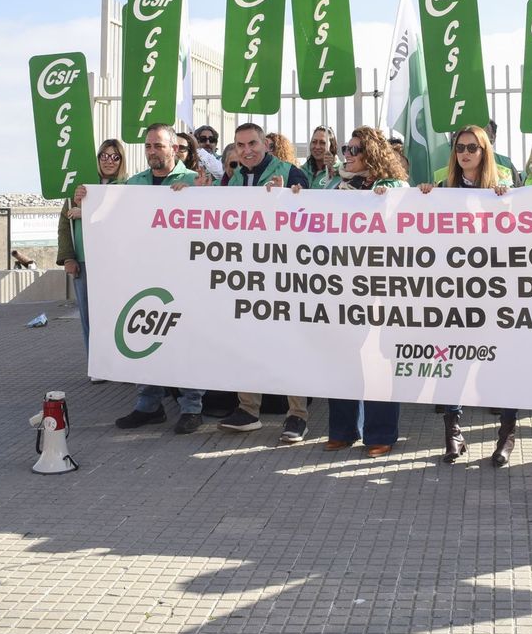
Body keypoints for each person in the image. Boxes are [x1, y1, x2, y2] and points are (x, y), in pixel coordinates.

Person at [418, 125, 515, 465]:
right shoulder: (445, 189)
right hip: (454, 291)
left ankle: (506, 434)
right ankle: (453, 433)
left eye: (473, 147)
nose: (466, 153)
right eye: (460, 147)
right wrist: (424, 198)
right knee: (452, 360)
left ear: (484, 151)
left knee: (502, 363)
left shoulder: (502, 189)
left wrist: (508, 201)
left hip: (494, 290)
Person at [217, 123, 310, 435]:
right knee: (247, 342)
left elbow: (312, 218)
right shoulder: (233, 179)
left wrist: (291, 198)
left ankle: (297, 414)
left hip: (285, 275)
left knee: (290, 344)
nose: (246, 151)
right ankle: (247, 409)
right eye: (240, 145)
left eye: (252, 143)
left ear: (266, 144)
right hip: (246, 275)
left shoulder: (291, 173)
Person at [114, 124, 207, 435]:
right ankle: (148, 405)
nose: (152, 151)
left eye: (158, 146)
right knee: (147, 337)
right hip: (146, 274)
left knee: (188, 343)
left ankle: (192, 407)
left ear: (174, 149)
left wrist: (198, 195)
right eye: (148, 146)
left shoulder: (194, 181)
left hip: (186, 277)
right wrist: (87, 197)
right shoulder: (134, 183)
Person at [326, 126, 410, 456]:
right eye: (346, 148)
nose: (348, 154)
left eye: (355, 149)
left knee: (377, 361)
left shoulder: (395, 188)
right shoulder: (334, 185)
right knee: (341, 358)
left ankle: (381, 434)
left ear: (372, 153)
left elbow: (407, 228)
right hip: (341, 285)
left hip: (382, 286)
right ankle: (343, 430)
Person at [57, 138, 126, 368]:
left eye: (114, 156)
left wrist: (85, 212)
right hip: (85, 260)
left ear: (121, 160)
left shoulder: (128, 187)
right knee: (88, 315)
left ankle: (119, 363)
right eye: (104, 156)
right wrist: (68, 257)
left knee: (115, 313)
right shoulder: (80, 188)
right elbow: (64, 224)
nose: (109, 161)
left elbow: (119, 219)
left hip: (114, 262)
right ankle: (96, 364)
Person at [303, 125, 343, 189]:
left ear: (332, 146)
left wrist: (332, 171)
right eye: (314, 142)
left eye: (322, 143)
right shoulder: (302, 171)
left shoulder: (343, 171)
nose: (317, 147)